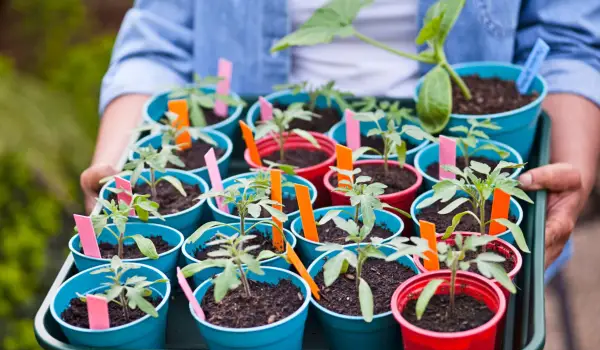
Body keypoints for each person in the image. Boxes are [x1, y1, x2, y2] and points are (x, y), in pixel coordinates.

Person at [81, 0, 600, 269]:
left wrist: (572, 170)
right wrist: (117, 165)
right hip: (248, 158)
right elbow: (156, 45)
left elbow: (566, 42)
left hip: (460, 152)